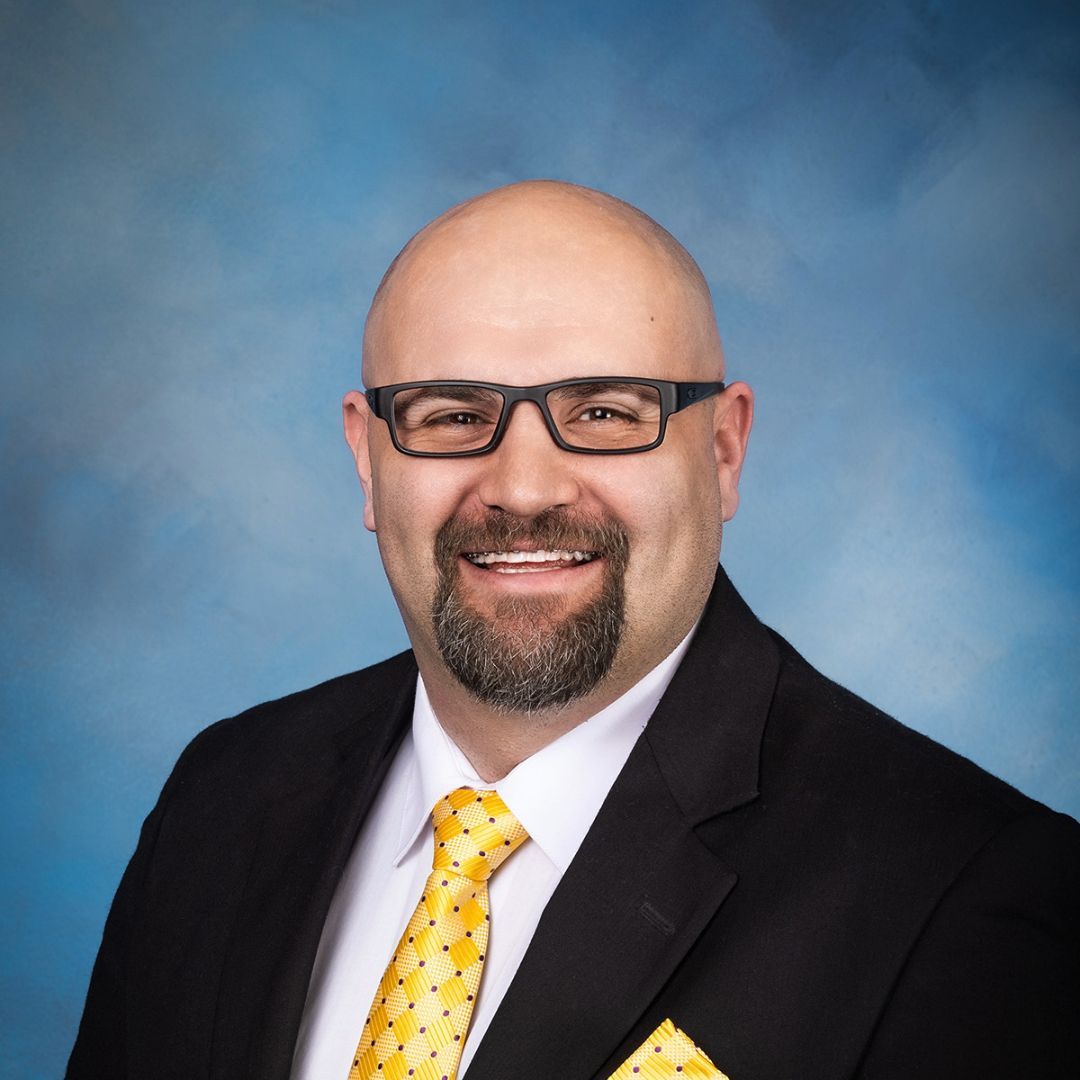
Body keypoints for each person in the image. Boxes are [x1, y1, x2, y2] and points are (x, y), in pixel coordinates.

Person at [68, 180, 1079, 1080]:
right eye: (453, 414)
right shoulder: (224, 795)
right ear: (368, 459)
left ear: (723, 452)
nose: (523, 488)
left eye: (602, 412)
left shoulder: (972, 901)